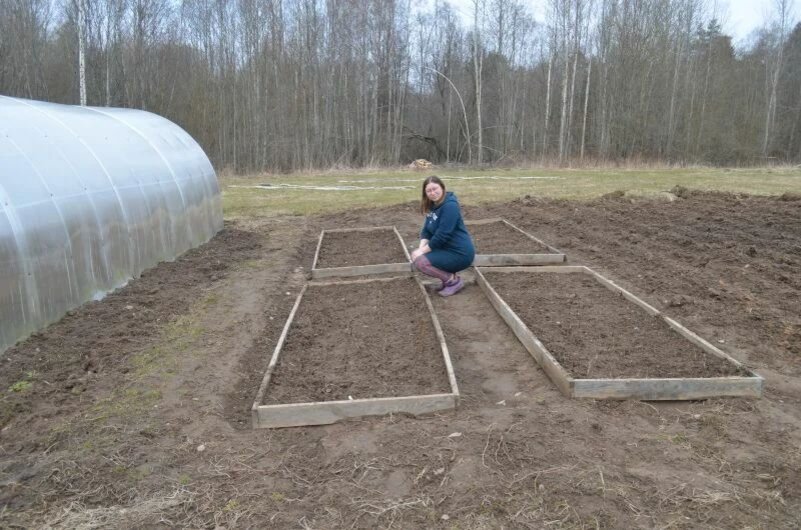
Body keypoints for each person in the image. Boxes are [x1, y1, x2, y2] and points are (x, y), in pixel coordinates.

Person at [410, 176, 475, 297]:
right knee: (418, 255)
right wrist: (420, 249)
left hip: (460, 253)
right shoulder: (433, 206)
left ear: (443, 187)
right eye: (429, 191)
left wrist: (421, 253)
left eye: (435, 189)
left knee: (421, 262)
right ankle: (448, 279)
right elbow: (426, 230)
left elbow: (442, 236)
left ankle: (453, 281)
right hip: (446, 249)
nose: (432, 193)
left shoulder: (450, 206)